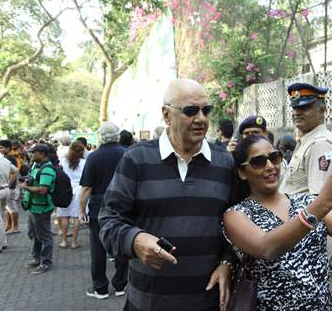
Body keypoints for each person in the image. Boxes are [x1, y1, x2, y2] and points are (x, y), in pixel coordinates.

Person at [99, 79, 236, 311]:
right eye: (191, 111)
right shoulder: (136, 158)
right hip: (148, 302)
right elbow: (107, 221)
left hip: (207, 302)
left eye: (206, 110)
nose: (201, 118)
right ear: (166, 115)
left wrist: (227, 262)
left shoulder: (225, 163)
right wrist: (136, 241)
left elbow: (239, 225)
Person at [223, 135, 332, 310]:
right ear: (242, 172)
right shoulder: (236, 214)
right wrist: (324, 201)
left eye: (274, 158)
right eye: (258, 162)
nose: (270, 166)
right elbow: (267, 248)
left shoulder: (307, 202)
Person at [279, 83, 332, 273]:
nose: (297, 112)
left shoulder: (320, 145)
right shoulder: (307, 140)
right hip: (298, 237)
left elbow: (319, 203)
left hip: (305, 242)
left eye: (304, 107)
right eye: (295, 107)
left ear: (323, 109)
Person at [78, 122, 129, 299]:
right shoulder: (127, 154)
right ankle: (121, 284)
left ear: (100, 137)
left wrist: (81, 210)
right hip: (124, 205)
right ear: (117, 136)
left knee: (98, 247)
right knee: (121, 244)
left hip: (98, 206)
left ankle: (100, 288)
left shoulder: (94, 157)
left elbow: (86, 188)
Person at [21, 144, 56, 274]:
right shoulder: (36, 166)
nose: (31, 155)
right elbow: (34, 181)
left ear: (41, 154)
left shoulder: (47, 169)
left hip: (41, 208)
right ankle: (36, 259)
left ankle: (45, 262)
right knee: (34, 234)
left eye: (33, 152)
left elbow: (43, 189)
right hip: (33, 206)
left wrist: (26, 187)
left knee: (45, 236)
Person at [57, 142, 86, 249]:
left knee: (64, 216)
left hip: (65, 190)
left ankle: (64, 241)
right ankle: (74, 242)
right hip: (79, 190)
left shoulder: (64, 161)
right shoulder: (84, 162)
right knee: (76, 216)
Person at [0, 153, 18, 253]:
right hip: (5, 190)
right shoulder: (3, 159)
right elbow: (15, 170)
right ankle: (3, 242)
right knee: (0, 217)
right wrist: (8, 184)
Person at [0, 140, 20, 234]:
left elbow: (15, 172)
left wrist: (8, 183)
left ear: (8, 148)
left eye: (1, 147)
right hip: (8, 187)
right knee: (7, 208)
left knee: (12, 208)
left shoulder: (10, 158)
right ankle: (8, 226)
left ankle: (15, 227)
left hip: (10, 187)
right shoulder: (6, 157)